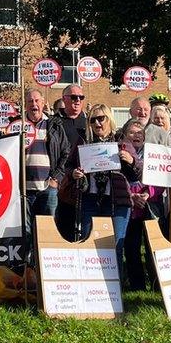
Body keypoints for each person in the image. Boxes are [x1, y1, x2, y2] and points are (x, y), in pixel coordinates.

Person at [58, 104, 131, 263]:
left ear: (109, 119)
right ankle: (93, 284)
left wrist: (130, 160)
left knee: (114, 244)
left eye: (101, 118)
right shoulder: (83, 141)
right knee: (89, 242)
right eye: (93, 120)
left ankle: (115, 284)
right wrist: (73, 173)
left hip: (116, 201)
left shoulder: (121, 140)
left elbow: (137, 172)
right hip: (89, 199)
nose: (97, 123)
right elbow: (68, 165)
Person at [121, 119, 162, 291]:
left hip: (149, 206)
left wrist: (147, 194)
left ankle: (156, 284)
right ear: (124, 135)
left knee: (153, 247)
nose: (136, 136)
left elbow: (161, 179)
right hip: (128, 206)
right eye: (132, 132)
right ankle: (137, 285)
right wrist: (131, 195)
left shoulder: (153, 153)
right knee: (131, 247)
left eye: (140, 133)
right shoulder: (119, 152)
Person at [23, 90, 70, 238]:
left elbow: (65, 152)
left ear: (43, 103)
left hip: (47, 187)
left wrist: (56, 178)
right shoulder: (17, 125)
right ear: (25, 104)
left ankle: (45, 261)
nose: (34, 104)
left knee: (48, 231)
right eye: (30, 101)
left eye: (37, 101)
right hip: (23, 189)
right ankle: (28, 261)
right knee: (26, 232)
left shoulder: (54, 125)